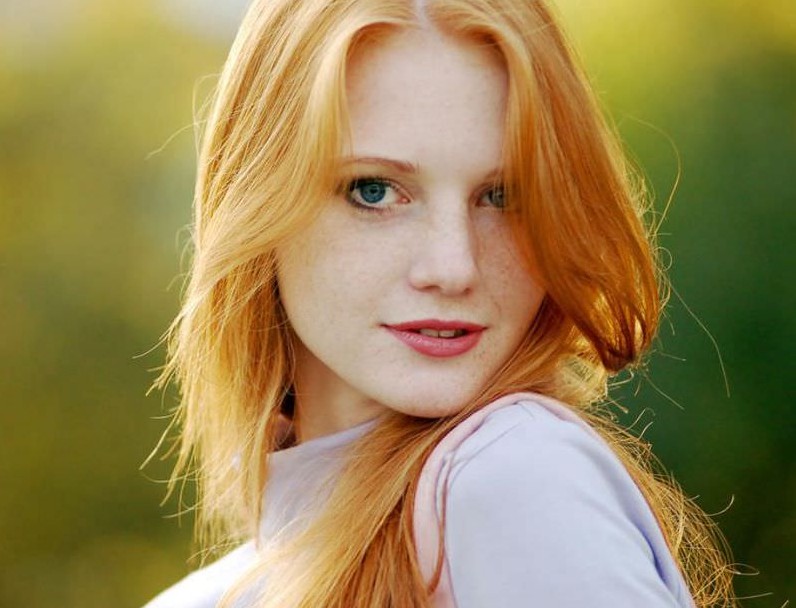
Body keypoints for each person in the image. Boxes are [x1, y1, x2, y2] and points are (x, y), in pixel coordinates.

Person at [144, 0, 736, 606]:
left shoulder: (514, 474)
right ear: (251, 198)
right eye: (374, 191)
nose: (454, 268)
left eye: (503, 196)